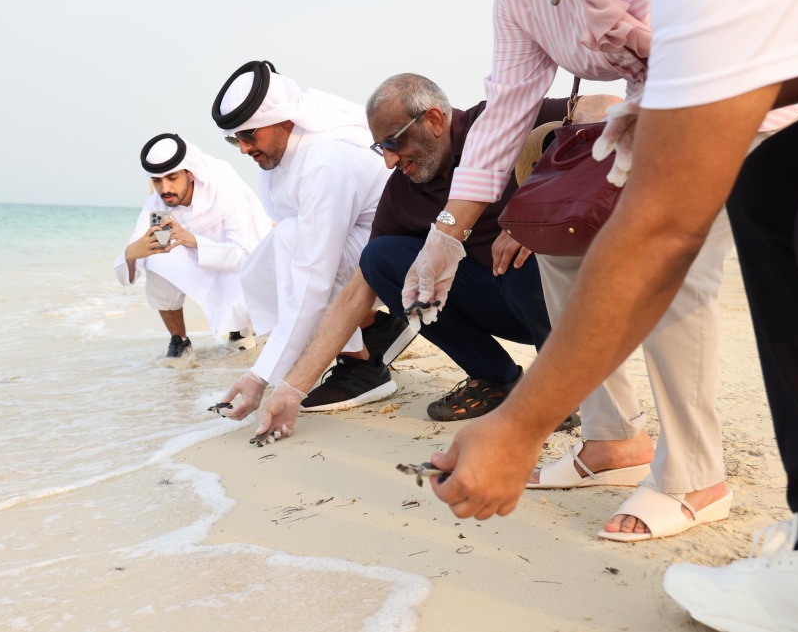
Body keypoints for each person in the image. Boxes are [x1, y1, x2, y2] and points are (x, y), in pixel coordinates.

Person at [429, 0, 798, 628]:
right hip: (761, 85)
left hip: (730, 104)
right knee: (774, 192)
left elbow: (663, 227)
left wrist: (520, 425)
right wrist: (680, 98)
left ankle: (739, 498)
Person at [249, 73, 591, 440]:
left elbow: (605, 108)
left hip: (568, 301)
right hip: (501, 301)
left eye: (395, 142)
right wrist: (292, 389)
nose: (390, 161)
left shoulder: (497, 124)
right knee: (380, 258)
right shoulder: (402, 191)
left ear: (434, 119)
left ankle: (565, 386)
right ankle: (495, 378)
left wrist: (540, 213)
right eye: (382, 148)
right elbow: (355, 295)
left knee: (524, 253)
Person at [209, 60, 396, 422]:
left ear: (283, 121)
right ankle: (374, 327)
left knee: (294, 244)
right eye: (236, 139)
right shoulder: (281, 155)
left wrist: (260, 376)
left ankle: (364, 369)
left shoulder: (323, 161)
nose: (243, 149)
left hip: (400, 255)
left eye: (249, 136)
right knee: (257, 267)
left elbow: (313, 275)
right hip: (365, 247)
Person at [114, 133, 270, 365]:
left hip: (239, 259)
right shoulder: (155, 204)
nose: (164, 188)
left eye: (172, 177)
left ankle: (241, 328)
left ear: (190, 173)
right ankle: (180, 340)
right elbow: (128, 271)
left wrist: (192, 240)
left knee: (247, 295)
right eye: (157, 180)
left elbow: (245, 255)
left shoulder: (224, 188)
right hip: (200, 256)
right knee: (155, 259)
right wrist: (131, 253)